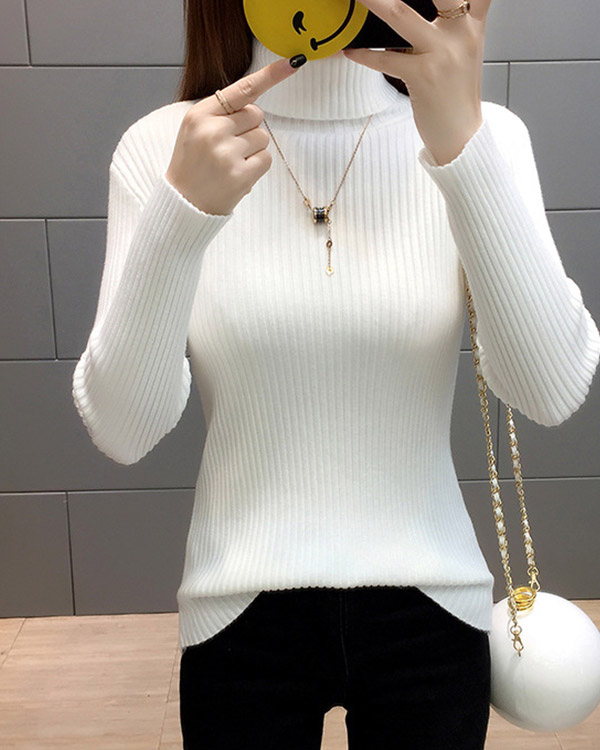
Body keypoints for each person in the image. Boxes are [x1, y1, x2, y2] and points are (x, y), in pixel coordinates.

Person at [71, 1, 600, 748]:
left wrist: (462, 146)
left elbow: (549, 389)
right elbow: (124, 428)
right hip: (237, 617)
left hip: (432, 610)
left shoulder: (483, 134)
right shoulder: (168, 146)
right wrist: (181, 216)